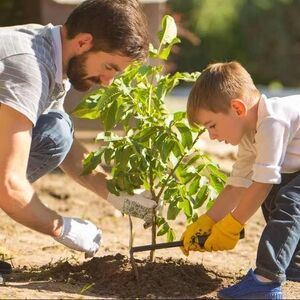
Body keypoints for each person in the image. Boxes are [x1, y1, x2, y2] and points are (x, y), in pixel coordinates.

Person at [0, 0, 157, 274]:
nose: (108, 81)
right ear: (84, 42)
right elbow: (8, 184)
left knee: (57, 130)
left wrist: (118, 195)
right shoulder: (29, 68)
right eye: (110, 67)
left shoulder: (48, 50)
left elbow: (64, 147)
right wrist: (61, 227)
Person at [180, 61, 300, 299]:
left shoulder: (273, 121)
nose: (211, 135)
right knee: (276, 193)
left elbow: (262, 184)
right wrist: (208, 220)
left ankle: (266, 282)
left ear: (237, 108)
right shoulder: (250, 132)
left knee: (289, 200)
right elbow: (239, 184)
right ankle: (293, 264)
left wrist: (232, 226)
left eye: (212, 125)